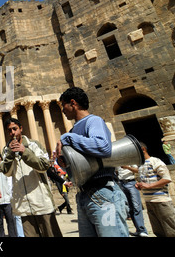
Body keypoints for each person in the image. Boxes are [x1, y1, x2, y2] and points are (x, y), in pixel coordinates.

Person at [55, 87, 129, 237]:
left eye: (63, 105)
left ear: (73, 103)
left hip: (102, 192)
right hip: (85, 195)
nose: (62, 110)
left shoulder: (93, 121)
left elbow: (102, 147)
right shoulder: (74, 130)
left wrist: (68, 138)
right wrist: (65, 162)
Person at [1, 118, 62, 237]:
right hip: (23, 205)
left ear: (21, 129)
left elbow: (44, 166)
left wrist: (25, 152)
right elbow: (6, 172)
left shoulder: (34, 145)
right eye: (9, 130)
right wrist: (10, 154)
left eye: (15, 129)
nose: (13, 133)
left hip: (41, 200)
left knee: (50, 233)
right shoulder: (6, 150)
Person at [132, 142, 175, 237]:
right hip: (149, 201)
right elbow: (146, 180)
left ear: (143, 149)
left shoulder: (155, 161)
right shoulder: (141, 165)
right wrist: (140, 186)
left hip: (161, 201)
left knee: (173, 230)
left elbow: (167, 178)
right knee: (158, 231)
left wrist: (150, 186)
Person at [115, 166, 148, 237]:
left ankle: (142, 230)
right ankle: (138, 229)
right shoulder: (117, 161)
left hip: (131, 182)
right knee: (129, 208)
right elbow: (117, 172)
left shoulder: (129, 157)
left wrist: (127, 167)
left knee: (136, 206)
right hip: (121, 183)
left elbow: (137, 170)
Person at [0, 155, 17, 237]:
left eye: (1, 160)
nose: (0, 162)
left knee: (10, 220)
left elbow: (10, 185)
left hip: (7, 200)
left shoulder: (8, 173)